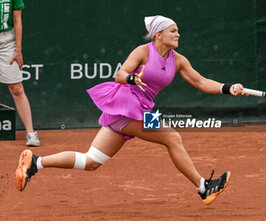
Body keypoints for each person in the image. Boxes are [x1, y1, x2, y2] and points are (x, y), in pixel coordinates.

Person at [14, 15, 245, 205]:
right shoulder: (143, 51)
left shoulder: (179, 60)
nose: (178, 34)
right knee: (173, 138)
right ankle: (203, 187)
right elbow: (120, 75)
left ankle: (36, 162)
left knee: (91, 161)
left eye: (178, 31)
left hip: (138, 109)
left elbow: (201, 82)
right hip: (128, 105)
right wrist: (133, 79)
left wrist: (228, 88)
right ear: (159, 34)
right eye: (173, 30)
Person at [0, 0, 40, 145]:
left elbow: (17, 21)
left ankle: (31, 133)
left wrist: (18, 50)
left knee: (17, 89)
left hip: (7, 42)